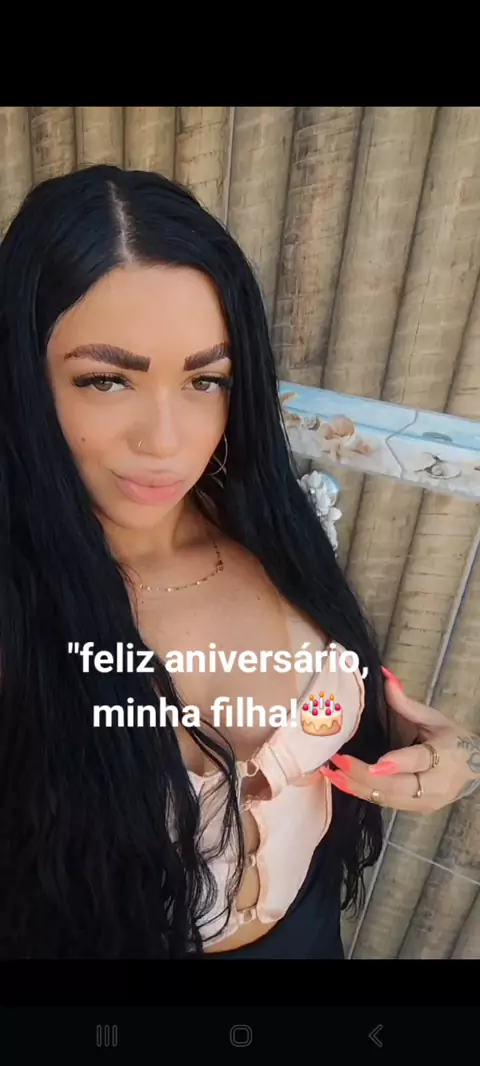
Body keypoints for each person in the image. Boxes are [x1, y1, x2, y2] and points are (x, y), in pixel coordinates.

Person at [0, 165, 478, 961]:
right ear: (21, 377)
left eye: (205, 379)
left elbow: (337, 703)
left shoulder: (270, 526)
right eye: (107, 380)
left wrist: (442, 752)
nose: (166, 441)